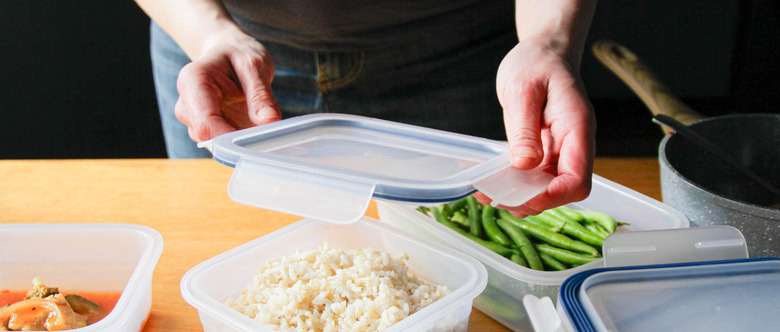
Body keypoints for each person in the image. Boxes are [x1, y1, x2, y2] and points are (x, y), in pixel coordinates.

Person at [135, 0, 597, 217]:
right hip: (219, 55)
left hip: (462, 57)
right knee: (216, 244)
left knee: (459, 251)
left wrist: (547, 41)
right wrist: (208, 34)